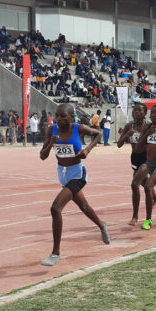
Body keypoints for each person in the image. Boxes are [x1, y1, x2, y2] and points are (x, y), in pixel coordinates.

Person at [40, 103, 110, 266]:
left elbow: (98, 134)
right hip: (62, 173)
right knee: (84, 206)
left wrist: (87, 150)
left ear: (72, 117)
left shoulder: (79, 128)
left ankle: (55, 253)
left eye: (63, 116)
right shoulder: (52, 130)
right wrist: (51, 143)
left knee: (55, 208)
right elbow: (43, 156)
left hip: (77, 173)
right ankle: (101, 225)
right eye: (57, 115)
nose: (59, 119)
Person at [117, 103, 156, 225]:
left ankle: (135, 217)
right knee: (145, 183)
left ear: (145, 113)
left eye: (139, 110)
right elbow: (119, 144)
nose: (136, 112)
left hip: (147, 158)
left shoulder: (149, 126)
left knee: (134, 184)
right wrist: (127, 134)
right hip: (135, 158)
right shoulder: (129, 126)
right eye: (135, 110)